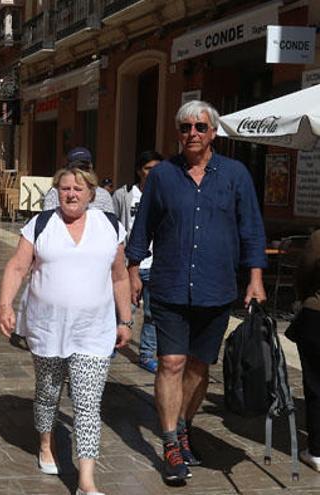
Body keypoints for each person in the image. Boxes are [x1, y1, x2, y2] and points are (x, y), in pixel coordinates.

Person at [126, 100, 267, 484]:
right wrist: (134, 268)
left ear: (213, 132)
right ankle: (171, 442)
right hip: (170, 285)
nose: (192, 134)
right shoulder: (162, 176)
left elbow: (251, 228)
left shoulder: (236, 175)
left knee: (199, 366)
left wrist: (255, 278)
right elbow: (144, 227)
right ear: (178, 133)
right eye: (185, 127)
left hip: (216, 287)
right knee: (171, 362)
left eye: (200, 127)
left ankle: (185, 426)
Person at [0, 166, 131, 495]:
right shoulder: (41, 224)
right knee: (47, 394)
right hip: (47, 329)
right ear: (57, 192)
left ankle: (86, 481)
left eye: (78, 188)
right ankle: (46, 444)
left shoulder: (109, 225)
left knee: (87, 403)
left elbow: (120, 276)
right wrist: (4, 305)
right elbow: (17, 266)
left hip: (93, 331)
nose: (71, 194)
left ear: (92, 193)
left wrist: (125, 319)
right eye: (65, 188)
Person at [112, 150, 163, 373]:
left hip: (156, 265)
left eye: (157, 168)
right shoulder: (124, 195)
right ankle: (112, 343)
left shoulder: (164, 195)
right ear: (139, 171)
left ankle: (146, 354)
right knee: (124, 308)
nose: (152, 173)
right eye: (148, 168)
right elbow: (113, 226)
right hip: (128, 264)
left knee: (152, 313)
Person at [294, 229, 320, 472]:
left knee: (315, 386)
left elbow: (304, 274)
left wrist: (304, 299)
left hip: (316, 315)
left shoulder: (318, 238)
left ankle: (317, 452)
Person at [43, 147, 115, 214]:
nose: (80, 172)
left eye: (83, 168)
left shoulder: (104, 195)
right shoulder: (55, 192)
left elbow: (110, 223)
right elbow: (48, 220)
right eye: (75, 168)